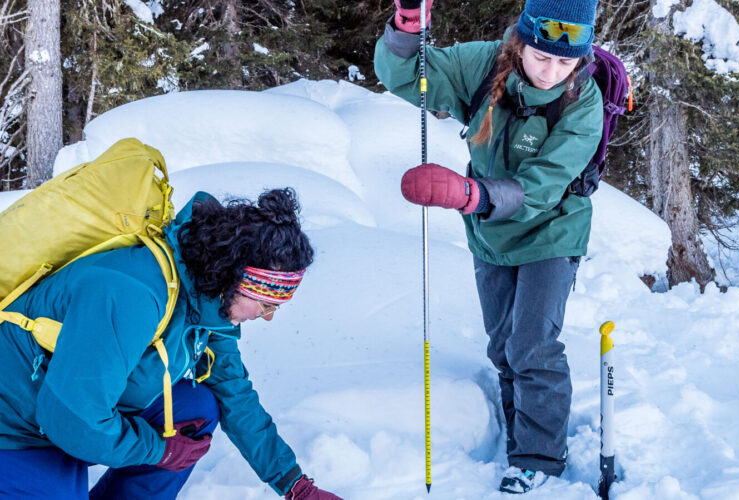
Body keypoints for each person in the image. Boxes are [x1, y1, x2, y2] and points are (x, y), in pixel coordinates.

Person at [375, 0, 603, 494]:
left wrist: (468, 194)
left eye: (565, 63)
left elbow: (544, 185)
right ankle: (517, 426)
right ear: (521, 42)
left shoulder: (583, 103)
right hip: (489, 233)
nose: (551, 72)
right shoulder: (483, 64)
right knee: (504, 346)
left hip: (552, 231)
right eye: (542, 57)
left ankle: (539, 458)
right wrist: (407, 29)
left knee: (533, 345)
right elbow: (406, 77)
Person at [0, 188, 341, 500]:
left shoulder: (208, 299)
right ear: (236, 277)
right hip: (16, 427)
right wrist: (158, 450)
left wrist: (295, 486)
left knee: (195, 409)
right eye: (267, 304)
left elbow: (234, 394)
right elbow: (73, 420)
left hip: (71, 407)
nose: (267, 317)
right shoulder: (131, 294)